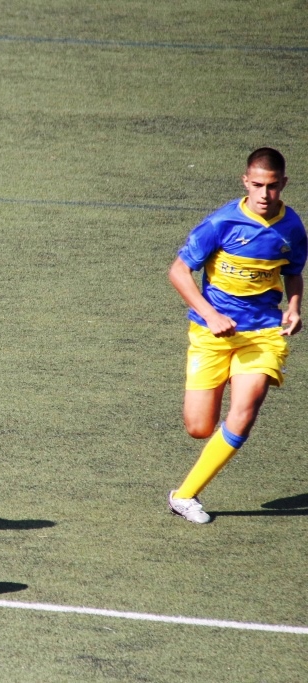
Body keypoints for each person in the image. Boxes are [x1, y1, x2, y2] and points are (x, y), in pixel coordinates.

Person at [167, 148, 305, 523]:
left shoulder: (292, 227)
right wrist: (210, 315)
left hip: (262, 333)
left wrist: (293, 307)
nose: (264, 194)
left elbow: (293, 272)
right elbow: (179, 271)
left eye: (272, 186)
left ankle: (185, 495)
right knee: (199, 428)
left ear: (283, 185)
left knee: (247, 408)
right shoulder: (221, 224)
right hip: (211, 334)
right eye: (258, 185)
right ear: (246, 182)